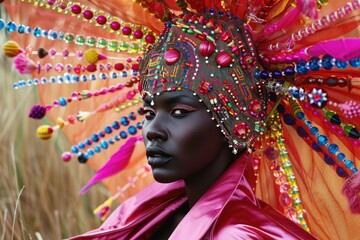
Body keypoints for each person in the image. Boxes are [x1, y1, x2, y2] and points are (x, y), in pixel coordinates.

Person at [70, 12, 318, 240]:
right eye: (148, 112)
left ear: (233, 122)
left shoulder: (239, 235)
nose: (153, 130)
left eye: (179, 112)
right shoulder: (150, 215)